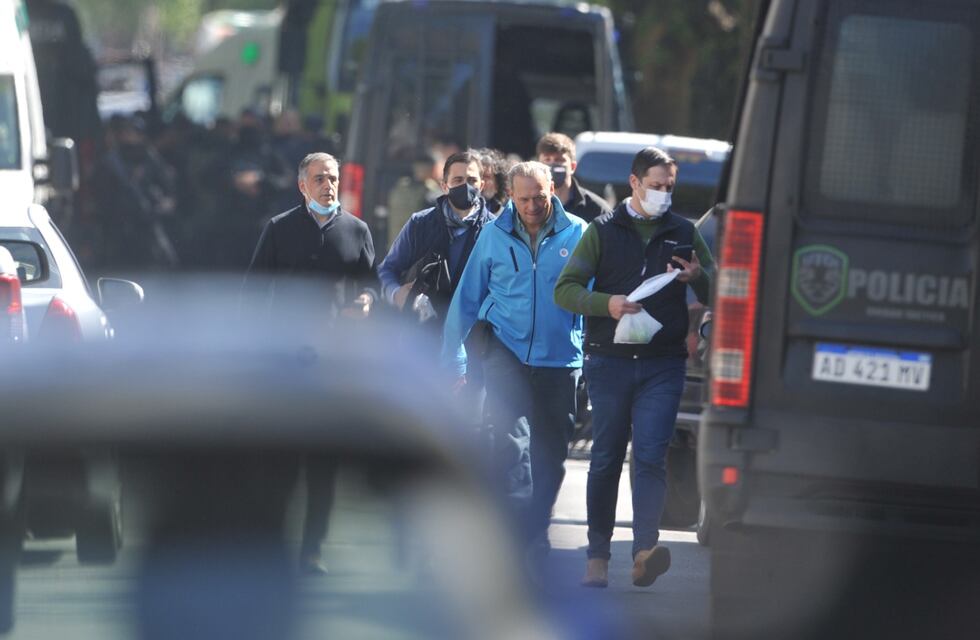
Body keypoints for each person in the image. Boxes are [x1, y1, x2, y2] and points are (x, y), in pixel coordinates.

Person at [554, 147, 714, 589]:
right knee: (605, 458)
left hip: (663, 365)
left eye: (669, 187)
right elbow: (565, 290)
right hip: (609, 361)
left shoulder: (684, 231)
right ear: (635, 182)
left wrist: (697, 277)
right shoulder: (603, 231)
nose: (663, 193)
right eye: (656, 185)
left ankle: (645, 550)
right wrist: (608, 304)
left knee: (650, 455)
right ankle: (597, 555)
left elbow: (719, 289)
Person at [442, 161, 587, 563]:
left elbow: (595, 295)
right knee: (509, 441)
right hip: (506, 351)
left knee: (551, 452)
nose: (531, 206)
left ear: (552, 191)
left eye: (539, 197)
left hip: (560, 359)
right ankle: (514, 534)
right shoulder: (493, 236)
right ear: (510, 196)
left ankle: (537, 527)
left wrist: (587, 349)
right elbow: (467, 299)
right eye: (522, 198)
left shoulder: (579, 233)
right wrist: (451, 358)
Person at [243, 152, 377, 575]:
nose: (328, 185)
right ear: (302, 186)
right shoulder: (280, 230)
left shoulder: (357, 231)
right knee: (279, 461)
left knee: (324, 462)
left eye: (333, 178)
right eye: (319, 178)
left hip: (333, 362)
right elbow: (254, 292)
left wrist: (367, 302)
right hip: (284, 361)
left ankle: (312, 549)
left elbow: (372, 286)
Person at [378, 150, 493, 322]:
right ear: (444, 186)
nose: (465, 186)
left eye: (472, 180)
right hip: (421, 331)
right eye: (458, 180)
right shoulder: (421, 223)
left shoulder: (494, 230)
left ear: (482, 185)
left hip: (472, 336)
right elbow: (386, 270)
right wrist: (396, 294)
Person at [536, 132, 611, 223]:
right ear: (538, 165)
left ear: (573, 167)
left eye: (559, 160)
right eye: (547, 160)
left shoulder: (598, 209)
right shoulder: (530, 205)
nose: (552, 165)